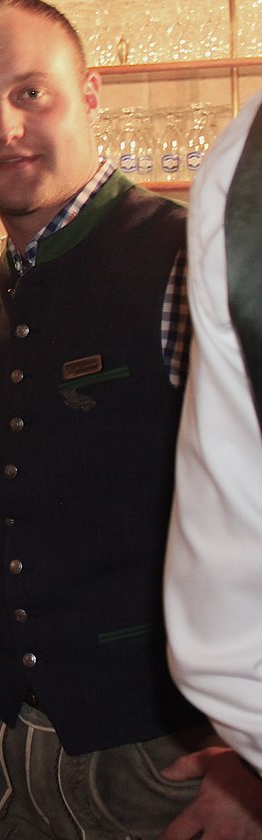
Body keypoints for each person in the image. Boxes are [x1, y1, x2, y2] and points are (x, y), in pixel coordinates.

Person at [0, 0, 262, 839]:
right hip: (12, 749)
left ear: (89, 93)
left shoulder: (185, 262)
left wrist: (250, 767)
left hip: (169, 762)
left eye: (29, 92)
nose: (4, 127)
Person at [167, 95, 262, 777]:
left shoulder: (233, 181)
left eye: (31, 91)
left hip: (156, 736)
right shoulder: (237, 175)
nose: (4, 126)